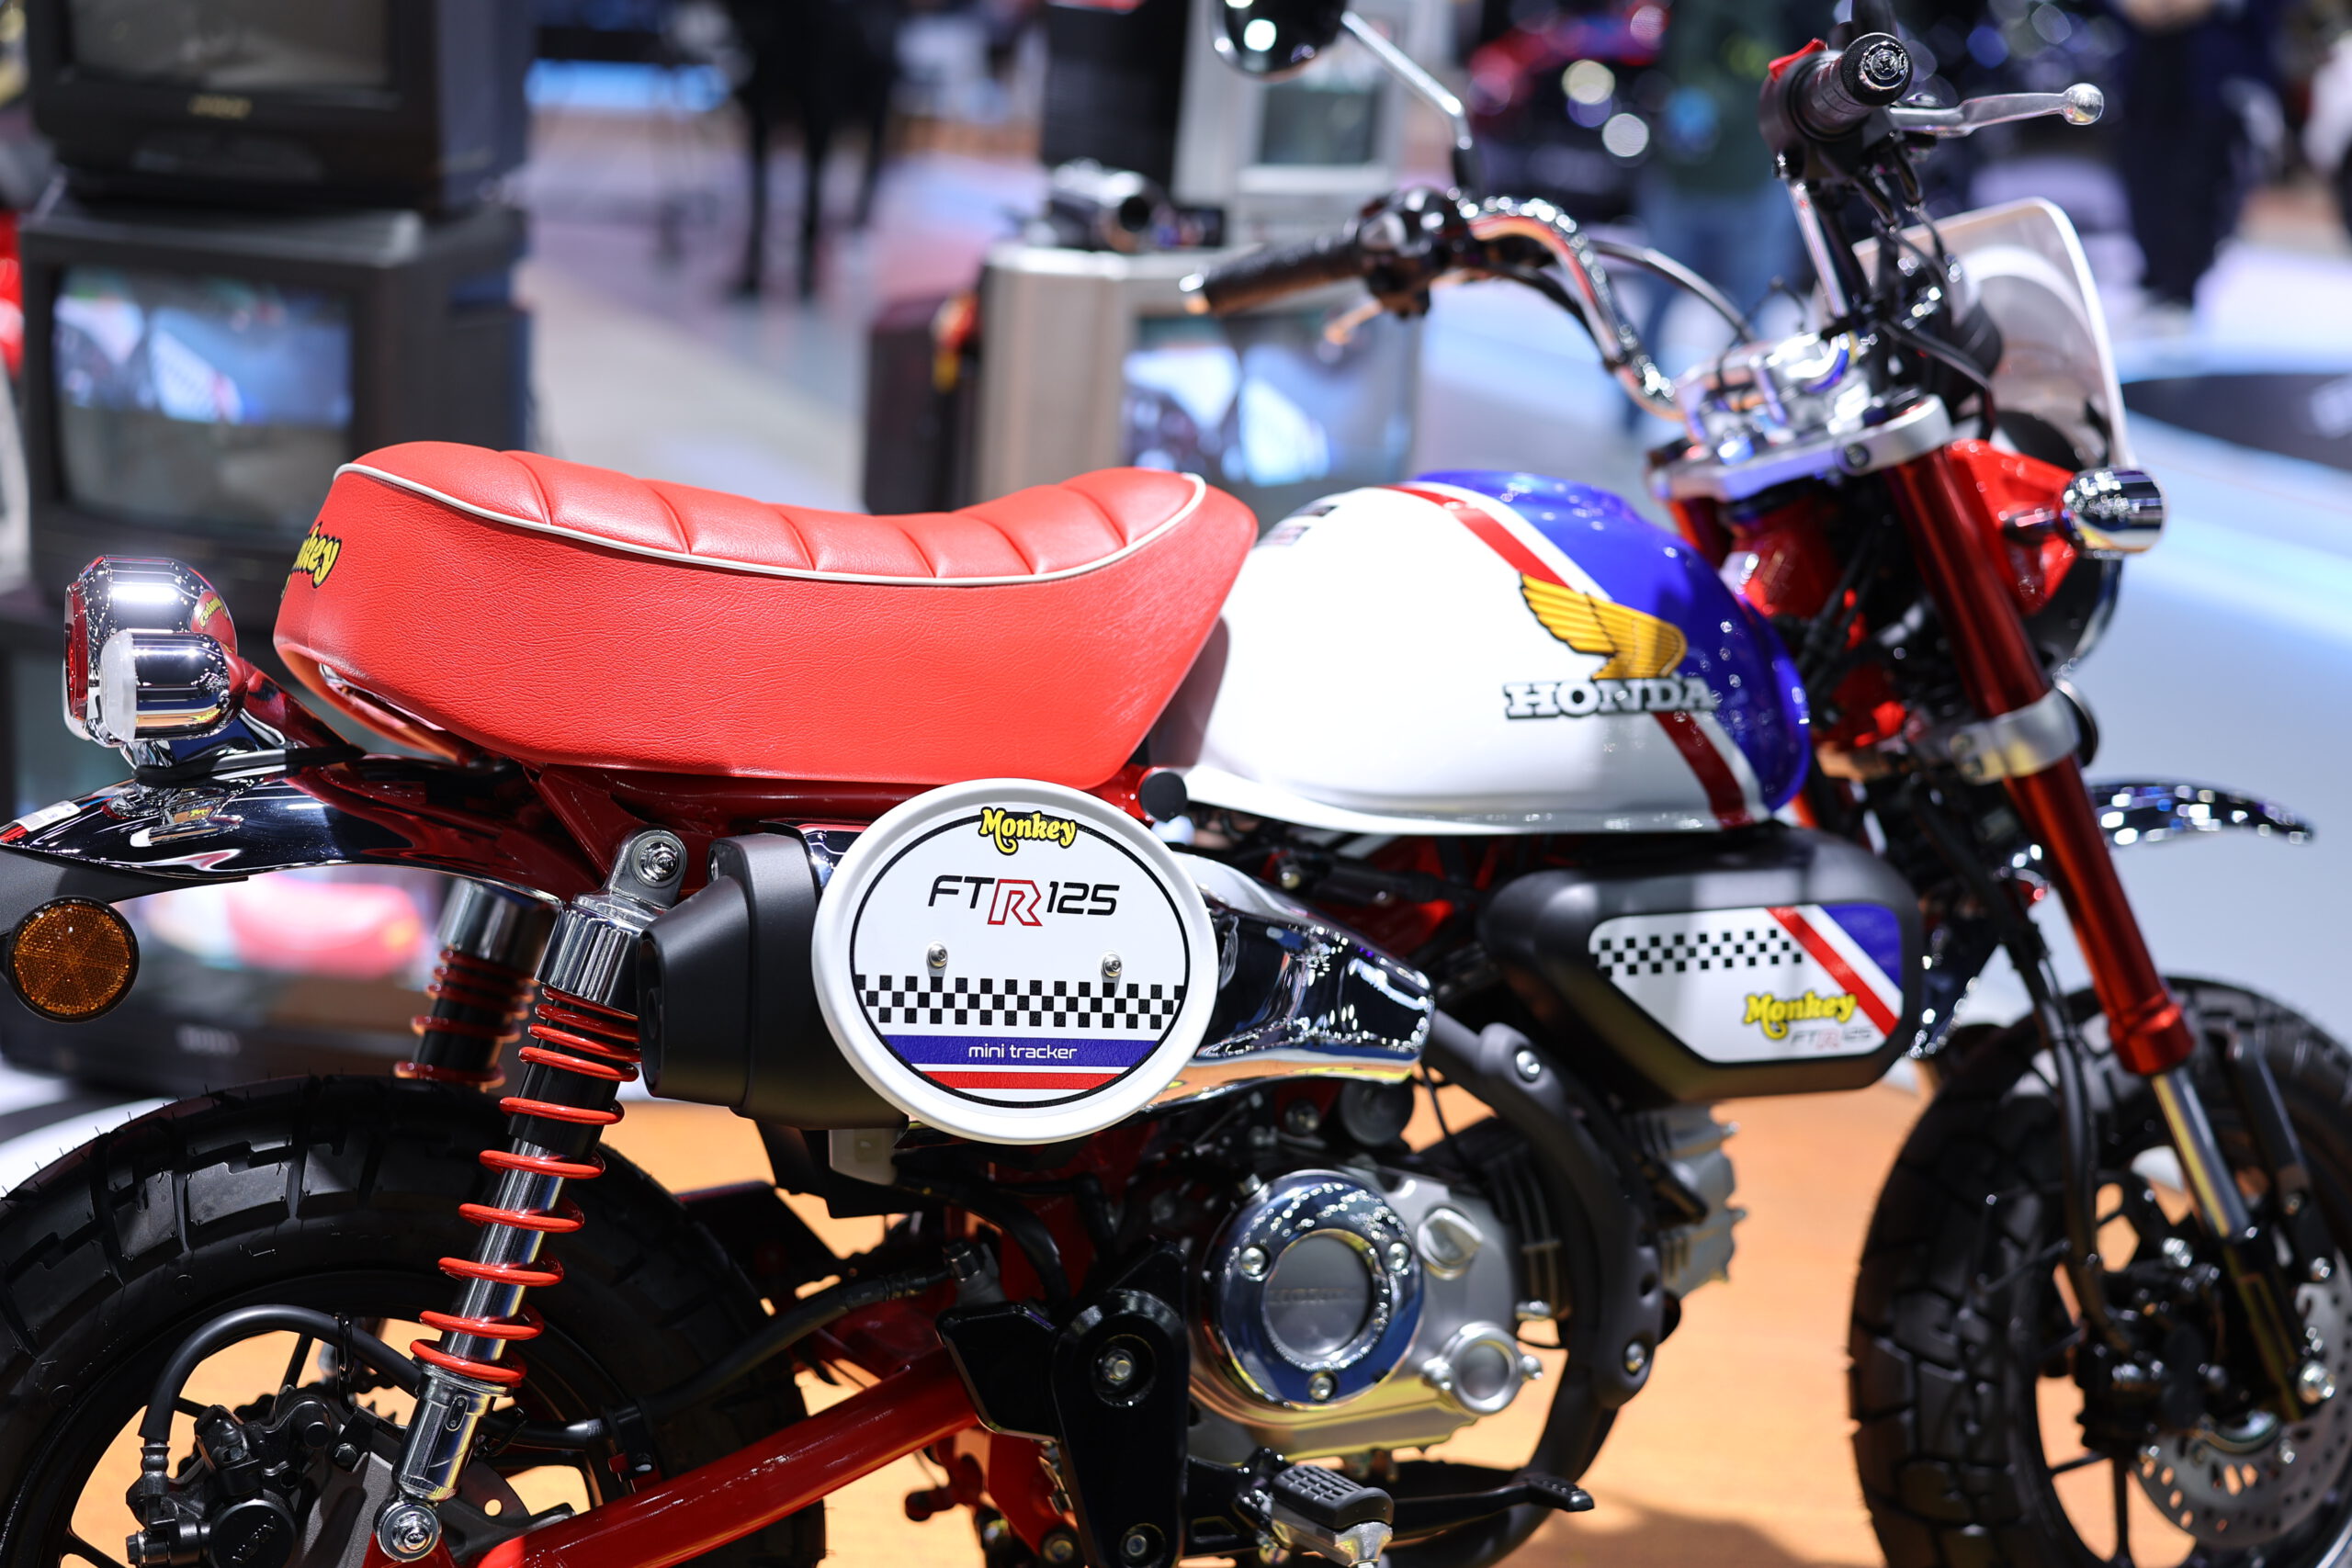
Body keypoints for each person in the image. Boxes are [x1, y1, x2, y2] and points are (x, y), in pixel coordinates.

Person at [1633, 0, 1812, 372]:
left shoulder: (1785, 14)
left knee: (1752, 312)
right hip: (1683, 178)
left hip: (1753, 178)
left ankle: (1755, 396)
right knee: (1659, 299)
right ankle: (1636, 397)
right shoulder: (1692, 13)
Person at [2109, 0, 2287, 327]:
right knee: (2143, 173)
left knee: (2200, 179)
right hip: (2144, 65)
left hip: (2215, 72)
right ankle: (2156, 278)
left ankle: (2183, 288)